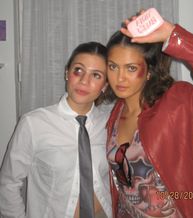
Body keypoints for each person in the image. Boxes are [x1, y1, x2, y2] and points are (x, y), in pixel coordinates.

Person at [104, 9, 193, 218]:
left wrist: (172, 35)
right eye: (113, 66)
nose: (119, 77)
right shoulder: (115, 113)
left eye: (130, 68)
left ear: (148, 72)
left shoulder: (176, 104)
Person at [0, 42, 113, 218]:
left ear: (105, 85)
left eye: (96, 75)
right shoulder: (33, 123)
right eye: (78, 70)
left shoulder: (109, 123)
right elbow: (8, 183)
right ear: (67, 73)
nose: (84, 81)